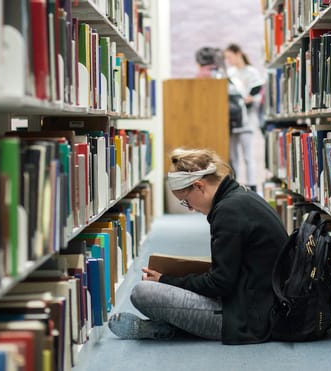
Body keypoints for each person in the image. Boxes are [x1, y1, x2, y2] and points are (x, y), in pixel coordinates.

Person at [108, 148, 289, 344]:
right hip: (260, 302)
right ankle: (165, 326)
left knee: (142, 293)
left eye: (186, 201)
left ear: (199, 186)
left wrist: (165, 280)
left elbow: (220, 284)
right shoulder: (241, 195)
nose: (191, 208)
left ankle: (166, 328)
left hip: (247, 318)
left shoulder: (228, 212)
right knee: (161, 288)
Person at [224, 43, 265, 192]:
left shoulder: (252, 72)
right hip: (233, 120)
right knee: (233, 157)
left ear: (238, 53)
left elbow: (259, 95)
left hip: (248, 119)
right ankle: (234, 186)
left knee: (248, 156)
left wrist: (251, 99)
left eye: (229, 56)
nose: (228, 60)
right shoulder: (230, 73)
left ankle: (252, 186)